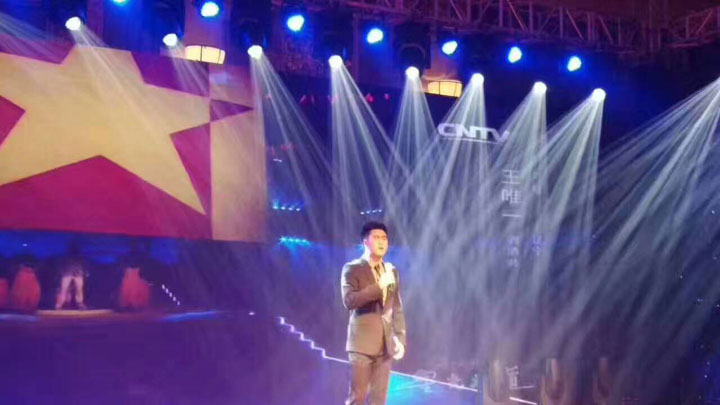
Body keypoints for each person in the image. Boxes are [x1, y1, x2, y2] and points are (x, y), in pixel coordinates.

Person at [341, 221, 407, 405]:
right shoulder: (352, 268)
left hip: (385, 346)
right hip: (361, 345)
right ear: (365, 241)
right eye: (376, 237)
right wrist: (379, 286)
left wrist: (400, 339)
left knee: (378, 401)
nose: (381, 241)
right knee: (357, 399)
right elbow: (349, 301)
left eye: (384, 238)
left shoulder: (391, 271)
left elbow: (396, 308)